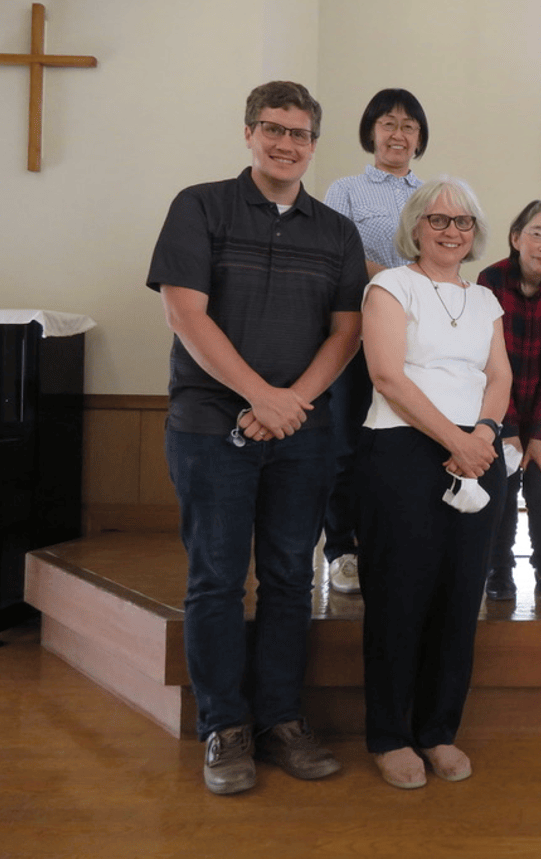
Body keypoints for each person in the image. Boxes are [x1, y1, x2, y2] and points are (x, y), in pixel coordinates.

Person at [147, 81, 365, 795]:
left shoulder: (335, 231)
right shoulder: (200, 206)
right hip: (212, 426)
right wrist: (259, 395)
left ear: (313, 144)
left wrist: (290, 402)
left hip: (301, 430)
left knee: (286, 578)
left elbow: (347, 332)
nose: (286, 143)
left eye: (301, 134)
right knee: (214, 578)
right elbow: (186, 314)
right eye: (273, 129)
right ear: (249, 133)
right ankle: (224, 726)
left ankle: (279, 719)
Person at [355, 176, 511, 790]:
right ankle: (390, 735)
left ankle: (439, 730)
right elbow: (387, 375)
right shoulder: (390, 286)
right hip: (401, 450)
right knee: (399, 597)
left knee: (458, 597)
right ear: (415, 226)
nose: (451, 231)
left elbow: (499, 375)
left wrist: (486, 435)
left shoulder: (485, 300)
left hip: (478, 451)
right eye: (439, 220)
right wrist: (458, 441)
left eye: (463, 222)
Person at [320, 88, 429, 594]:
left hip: (418, 339)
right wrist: (394, 284)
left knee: (403, 444)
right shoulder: (344, 190)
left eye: (409, 126)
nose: (398, 134)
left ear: (419, 138)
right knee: (348, 443)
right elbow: (337, 257)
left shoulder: (433, 196)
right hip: (357, 334)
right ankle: (342, 549)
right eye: (388, 123)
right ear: (371, 132)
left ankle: (392, 544)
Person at [478, 200, 541, 600]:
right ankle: (498, 570)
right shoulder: (490, 282)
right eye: (537, 234)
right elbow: (488, 364)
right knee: (500, 488)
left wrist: (540, 435)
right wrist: (511, 430)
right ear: (516, 237)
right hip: (496, 404)